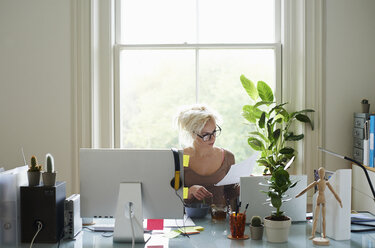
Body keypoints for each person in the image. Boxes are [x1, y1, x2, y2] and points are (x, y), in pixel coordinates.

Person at [176, 104, 239, 207]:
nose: (212, 138)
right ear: (192, 134)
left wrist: (244, 185)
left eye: (214, 132)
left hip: (218, 218)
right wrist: (190, 191)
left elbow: (230, 193)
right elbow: (171, 193)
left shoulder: (227, 157)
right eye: (206, 135)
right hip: (189, 219)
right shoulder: (183, 157)